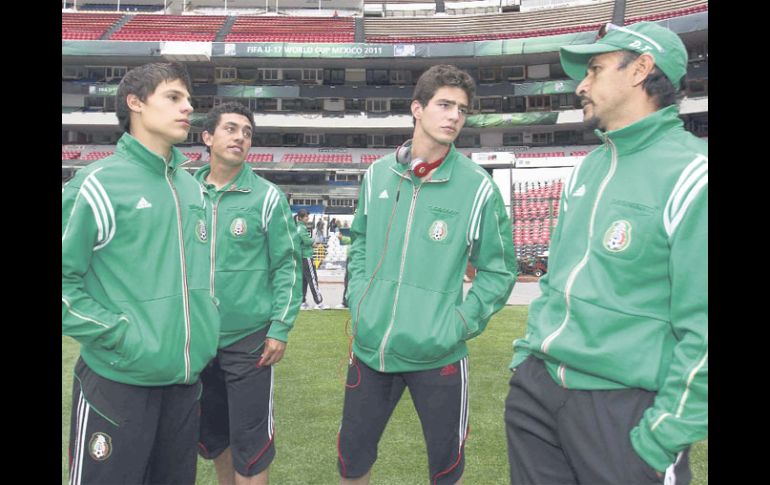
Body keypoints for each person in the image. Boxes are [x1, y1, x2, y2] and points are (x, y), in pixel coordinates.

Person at [505, 21, 707, 485]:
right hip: (538, 393)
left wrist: (663, 436)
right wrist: (525, 363)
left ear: (640, 70)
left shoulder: (693, 176)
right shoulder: (586, 169)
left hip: (624, 409)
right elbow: (556, 282)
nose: (581, 85)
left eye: (594, 69)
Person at [338, 64, 517, 484]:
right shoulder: (377, 174)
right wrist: (360, 298)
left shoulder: (477, 187)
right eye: (444, 105)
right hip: (371, 348)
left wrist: (458, 323)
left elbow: (499, 269)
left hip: (439, 354)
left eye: (462, 109)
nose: (454, 116)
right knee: (352, 462)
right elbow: (360, 241)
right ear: (417, 108)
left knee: (446, 470)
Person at [62, 62, 220, 484]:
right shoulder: (97, 185)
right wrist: (118, 334)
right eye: (173, 97)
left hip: (184, 383)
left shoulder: (192, 188)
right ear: (135, 103)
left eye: (189, 99)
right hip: (118, 381)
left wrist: (206, 327)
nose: (189, 107)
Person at [194, 102, 302, 484]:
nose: (240, 136)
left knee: (251, 446)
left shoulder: (267, 197)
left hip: (249, 342)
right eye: (231, 128)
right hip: (195, 339)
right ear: (207, 137)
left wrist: (280, 327)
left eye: (247, 132)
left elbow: (288, 264)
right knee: (213, 439)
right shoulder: (185, 192)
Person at [295, 209, 329, 310]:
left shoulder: (299, 227)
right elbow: (306, 241)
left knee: (304, 281)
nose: (308, 218)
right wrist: (314, 242)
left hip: (302, 257)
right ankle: (319, 303)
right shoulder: (301, 229)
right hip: (306, 257)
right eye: (306, 216)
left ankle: (302, 302)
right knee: (313, 279)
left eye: (308, 216)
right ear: (300, 218)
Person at [334, 230, 352, 309]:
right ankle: (346, 302)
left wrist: (342, 238)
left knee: (348, 280)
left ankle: (345, 302)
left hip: (353, 258)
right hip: (351, 257)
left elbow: (354, 240)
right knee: (348, 281)